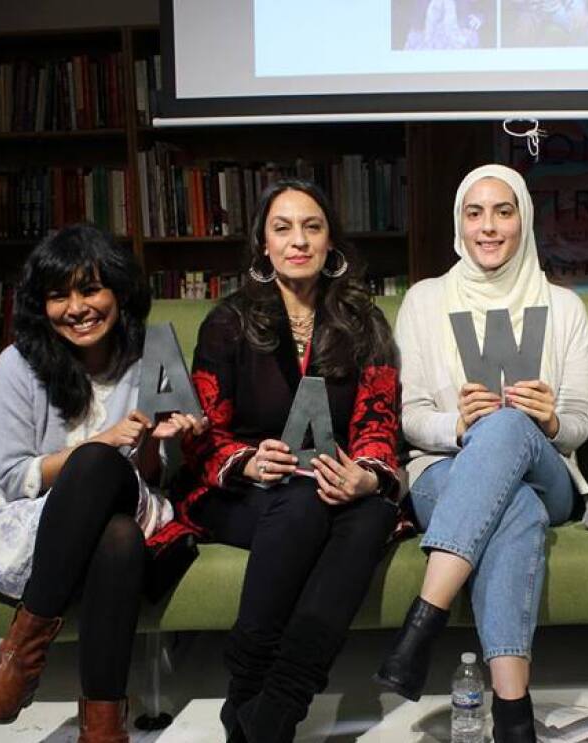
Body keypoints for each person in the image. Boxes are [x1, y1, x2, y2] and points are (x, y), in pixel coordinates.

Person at [0, 224, 205, 743]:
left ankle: (18, 661)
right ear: (40, 306)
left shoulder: (151, 355)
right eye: (58, 295)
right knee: (115, 530)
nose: (77, 308)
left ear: (118, 293)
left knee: (104, 472)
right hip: (37, 512)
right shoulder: (18, 365)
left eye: (91, 289)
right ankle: (103, 730)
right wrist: (106, 440)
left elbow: (155, 476)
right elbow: (16, 477)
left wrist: (159, 437)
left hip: (138, 499)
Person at [173, 178, 401, 743]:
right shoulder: (228, 322)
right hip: (241, 493)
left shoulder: (364, 321)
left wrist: (364, 474)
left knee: (372, 513)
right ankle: (248, 692)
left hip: (330, 483)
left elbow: (378, 420)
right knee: (299, 504)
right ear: (264, 245)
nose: (298, 240)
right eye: (283, 228)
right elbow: (202, 431)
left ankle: (276, 709)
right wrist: (248, 461)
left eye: (312, 227)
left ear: (331, 244)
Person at [375, 163, 588, 743]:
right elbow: (410, 415)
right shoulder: (424, 301)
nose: (489, 227)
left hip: (547, 472)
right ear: (458, 224)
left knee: (508, 430)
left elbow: (579, 424)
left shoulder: (565, 308)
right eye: (475, 213)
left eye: (503, 212)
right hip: (440, 468)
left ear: (524, 219)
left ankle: (422, 625)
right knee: (512, 507)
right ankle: (514, 718)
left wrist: (548, 420)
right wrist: (458, 424)